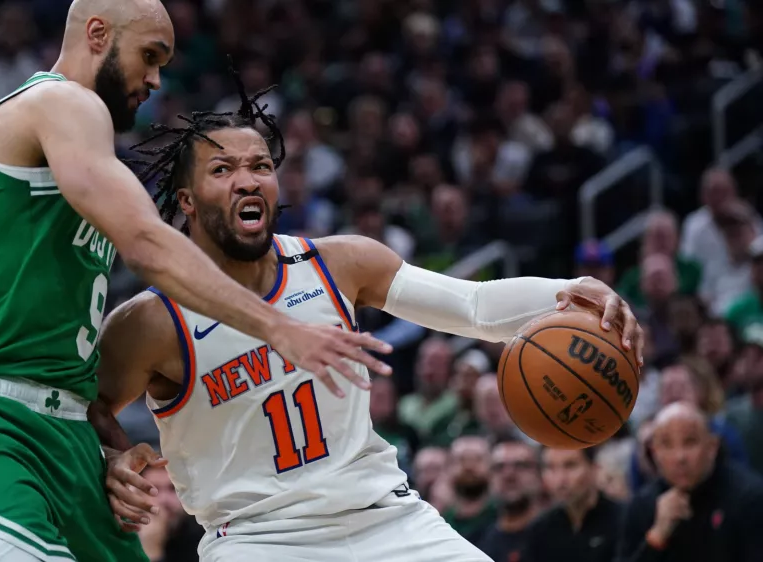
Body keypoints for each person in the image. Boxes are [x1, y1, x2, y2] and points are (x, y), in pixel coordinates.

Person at [0, 1, 392, 561]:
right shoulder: (59, 102)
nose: (156, 79)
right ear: (98, 33)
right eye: (149, 56)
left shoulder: (86, 149)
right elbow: (147, 243)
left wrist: (108, 448)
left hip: (64, 431)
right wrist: (278, 327)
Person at [92, 75, 643, 561]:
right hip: (258, 538)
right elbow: (82, 408)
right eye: (223, 169)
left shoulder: (338, 263)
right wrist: (113, 456)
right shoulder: (150, 322)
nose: (248, 179)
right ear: (186, 200)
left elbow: (472, 307)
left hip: (386, 515)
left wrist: (569, 292)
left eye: (261, 165)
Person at [617, 402, 763, 562]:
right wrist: (657, 536)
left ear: (712, 447)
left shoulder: (749, 497)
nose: (680, 457)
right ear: (654, 452)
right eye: (667, 444)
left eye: (690, 442)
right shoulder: (642, 505)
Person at [522, 447, 623, 562]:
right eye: (550, 467)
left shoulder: (624, 520)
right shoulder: (539, 530)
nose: (560, 480)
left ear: (594, 469)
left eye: (570, 466)